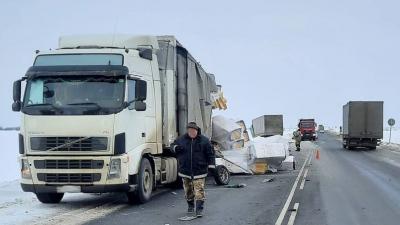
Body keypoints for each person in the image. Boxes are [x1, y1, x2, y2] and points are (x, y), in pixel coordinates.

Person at [171, 122, 215, 218]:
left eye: (193, 130)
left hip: (199, 171)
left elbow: (211, 153)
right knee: (188, 191)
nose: (191, 132)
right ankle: (190, 206)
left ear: (196, 130)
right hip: (185, 171)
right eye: (189, 130)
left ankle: (199, 210)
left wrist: (211, 165)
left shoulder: (204, 141)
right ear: (187, 130)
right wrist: (176, 148)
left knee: (199, 191)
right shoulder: (181, 139)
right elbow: (172, 145)